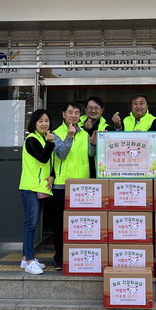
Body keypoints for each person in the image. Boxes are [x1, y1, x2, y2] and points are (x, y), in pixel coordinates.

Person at [50, 102, 95, 270]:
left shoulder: (84, 133)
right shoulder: (56, 133)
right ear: (63, 114)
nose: (74, 115)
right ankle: (59, 258)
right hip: (63, 185)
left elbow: (90, 155)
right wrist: (69, 136)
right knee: (60, 224)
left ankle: (78, 258)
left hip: (83, 186)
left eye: (77, 112)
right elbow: (61, 154)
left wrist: (93, 143)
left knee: (81, 224)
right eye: (70, 112)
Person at [19, 109, 54, 275]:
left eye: (46, 120)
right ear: (34, 123)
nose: (44, 124)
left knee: (32, 224)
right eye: (40, 121)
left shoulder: (42, 138)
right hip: (30, 187)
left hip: (38, 187)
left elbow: (49, 163)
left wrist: (52, 176)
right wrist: (51, 143)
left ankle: (25, 258)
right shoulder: (31, 139)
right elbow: (43, 158)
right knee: (30, 225)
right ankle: (30, 261)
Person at [79, 96, 110, 178]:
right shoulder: (76, 126)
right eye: (90, 108)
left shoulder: (107, 128)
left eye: (96, 108)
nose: (93, 111)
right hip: (79, 170)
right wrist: (85, 129)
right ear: (86, 110)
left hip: (100, 171)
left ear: (101, 110)